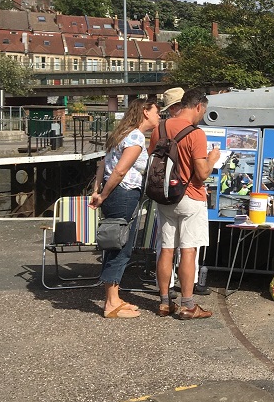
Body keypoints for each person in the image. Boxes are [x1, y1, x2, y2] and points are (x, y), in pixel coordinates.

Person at [150, 87, 220, 319]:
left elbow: (153, 161)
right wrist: (212, 159)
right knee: (188, 250)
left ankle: (163, 302)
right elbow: (201, 174)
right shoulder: (196, 133)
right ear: (198, 106)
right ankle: (188, 305)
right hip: (190, 197)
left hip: (165, 197)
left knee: (166, 249)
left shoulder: (159, 128)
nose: (202, 115)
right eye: (203, 110)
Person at [89, 98, 161, 318]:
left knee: (115, 243)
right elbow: (119, 171)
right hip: (122, 194)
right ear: (145, 112)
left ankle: (115, 297)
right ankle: (110, 304)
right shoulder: (136, 136)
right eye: (157, 111)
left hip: (115, 194)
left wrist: (97, 190)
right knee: (120, 246)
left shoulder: (122, 133)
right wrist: (103, 195)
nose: (159, 116)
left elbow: (103, 164)